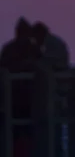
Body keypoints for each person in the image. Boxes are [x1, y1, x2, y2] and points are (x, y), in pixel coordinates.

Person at [0, 18, 39, 157]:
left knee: (24, 131)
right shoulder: (24, 49)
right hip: (16, 96)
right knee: (17, 131)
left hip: (26, 97)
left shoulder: (32, 49)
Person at [31, 22, 70, 157]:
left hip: (57, 92)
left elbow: (46, 64)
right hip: (55, 92)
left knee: (54, 128)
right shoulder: (52, 43)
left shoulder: (53, 45)